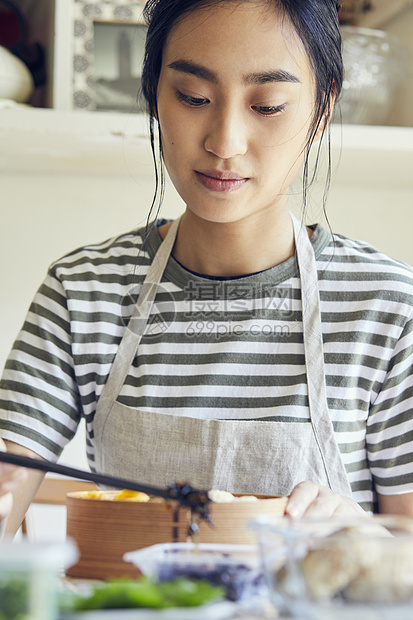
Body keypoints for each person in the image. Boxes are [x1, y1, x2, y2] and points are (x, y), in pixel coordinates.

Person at [1, 0, 413, 538]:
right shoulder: (83, 292)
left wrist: (367, 532)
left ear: (322, 110)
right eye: (193, 97)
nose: (225, 142)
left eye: (267, 105)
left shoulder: (386, 308)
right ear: (153, 95)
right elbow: (11, 476)